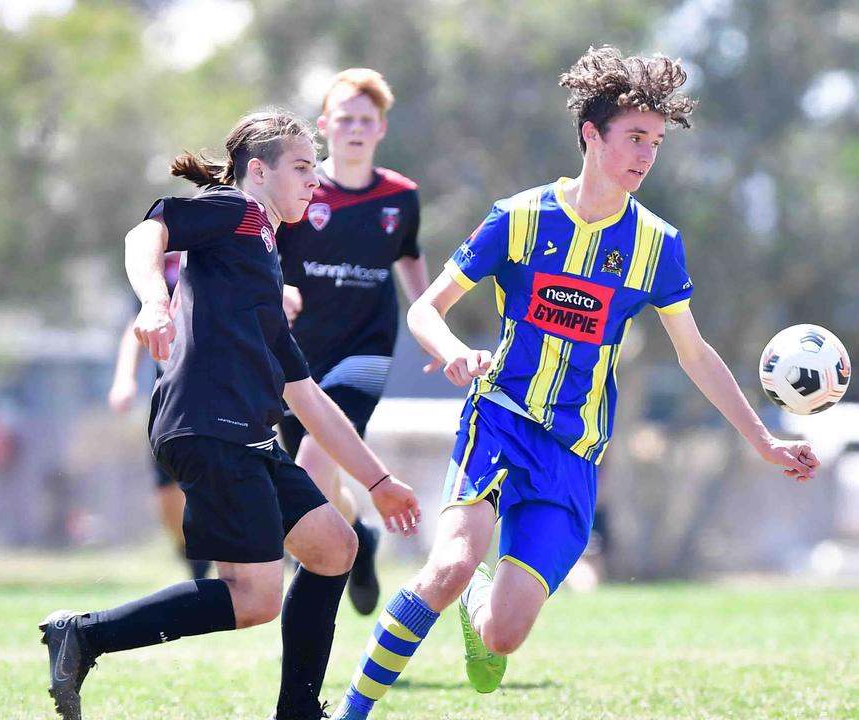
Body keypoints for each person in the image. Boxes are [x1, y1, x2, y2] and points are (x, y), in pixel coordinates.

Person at [328, 46, 819, 720]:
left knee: (504, 634)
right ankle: (349, 711)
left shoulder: (656, 245)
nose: (646, 155)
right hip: (497, 419)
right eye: (634, 138)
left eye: (655, 142)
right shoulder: (519, 217)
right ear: (591, 134)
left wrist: (762, 439)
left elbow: (695, 353)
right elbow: (423, 308)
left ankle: (483, 611)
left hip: (572, 453)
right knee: (448, 568)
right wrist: (450, 352)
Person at [38, 109, 423, 720]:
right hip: (208, 425)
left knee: (333, 548)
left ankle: (298, 711)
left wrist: (380, 483)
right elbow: (148, 232)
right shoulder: (236, 209)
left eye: (314, 170)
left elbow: (307, 396)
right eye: (301, 167)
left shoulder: (265, 263)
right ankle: (84, 635)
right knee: (255, 597)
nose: (313, 181)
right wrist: (153, 301)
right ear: (257, 171)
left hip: (244, 436)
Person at [277, 68, 429, 616]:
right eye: (345, 118)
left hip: (364, 350)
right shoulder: (300, 190)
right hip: (295, 356)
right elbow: (265, 254)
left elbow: (410, 257)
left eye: (367, 120)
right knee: (316, 478)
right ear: (325, 126)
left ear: (381, 128)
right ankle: (359, 539)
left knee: (315, 461)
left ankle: (304, 617)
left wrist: (427, 322)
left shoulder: (400, 197)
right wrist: (281, 288)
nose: (356, 128)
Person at [108, 251, 212, 580]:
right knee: (167, 493)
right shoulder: (158, 264)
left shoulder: (232, 249)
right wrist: (124, 380)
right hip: (170, 392)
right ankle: (192, 551)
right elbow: (135, 327)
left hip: (223, 389)